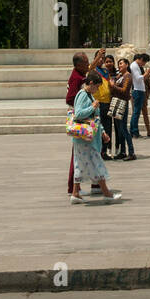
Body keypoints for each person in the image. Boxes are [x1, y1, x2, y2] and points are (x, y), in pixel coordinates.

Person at [70, 72, 121, 204]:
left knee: (81, 164)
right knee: (97, 164)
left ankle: (75, 193)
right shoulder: (83, 95)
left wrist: (102, 132)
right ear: (91, 83)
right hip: (86, 139)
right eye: (97, 86)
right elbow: (79, 114)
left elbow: (94, 119)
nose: (97, 89)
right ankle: (107, 193)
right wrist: (92, 107)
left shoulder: (88, 94)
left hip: (86, 138)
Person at [66, 52, 92, 195]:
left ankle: (95, 184)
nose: (88, 65)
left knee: (87, 152)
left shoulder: (80, 76)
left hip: (85, 119)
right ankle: (73, 188)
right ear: (78, 64)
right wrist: (83, 105)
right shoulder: (76, 78)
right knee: (77, 153)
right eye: (86, 62)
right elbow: (69, 98)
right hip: (80, 120)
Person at [111, 57, 136, 161]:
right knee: (119, 128)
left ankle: (131, 152)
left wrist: (113, 86)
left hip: (122, 103)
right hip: (116, 102)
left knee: (124, 128)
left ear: (127, 64)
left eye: (121, 63)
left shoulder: (128, 76)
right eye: (119, 64)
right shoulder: (120, 76)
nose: (119, 65)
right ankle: (122, 151)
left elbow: (125, 91)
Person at [130, 53, 150, 138]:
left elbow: (141, 79)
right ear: (141, 59)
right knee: (136, 112)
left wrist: (147, 75)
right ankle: (134, 132)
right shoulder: (134, 66)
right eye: (144, 62)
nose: (144, 64)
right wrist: (146, 73)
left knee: (136, 112)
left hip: (140, 90)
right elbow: (138, 78)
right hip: (137, 91)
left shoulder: (137, 66)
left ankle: (133, 131)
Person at [96, 54, 115, 159]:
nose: (101, 60)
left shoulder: (106, 71)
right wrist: (98, 55)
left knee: (107, 127)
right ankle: (98, 151)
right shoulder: (93, 70)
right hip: (98, 102)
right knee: (99, 127)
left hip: (107, 102)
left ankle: (105, 150)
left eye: (102, 59)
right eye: (99, 58)